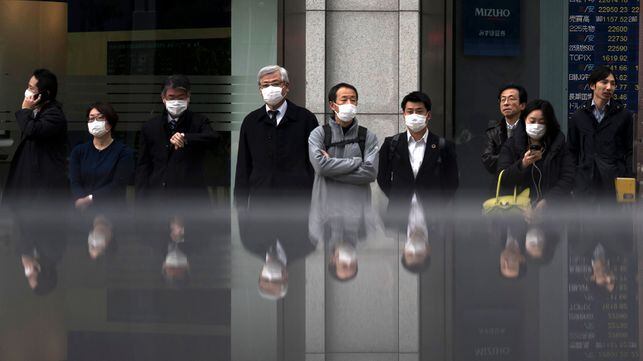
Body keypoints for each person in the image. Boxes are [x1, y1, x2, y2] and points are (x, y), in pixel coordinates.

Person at [234, 65, 319, 209]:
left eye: (275, 83)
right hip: (260, 203)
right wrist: (241, 206)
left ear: (286, 86)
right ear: (260, 90)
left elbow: (314, 164)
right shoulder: (251, 121)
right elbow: (243, 166)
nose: (270, 88)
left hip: (298, 203)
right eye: (265, 85)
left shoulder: (305, 119)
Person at [307, 82, 380, 246]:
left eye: (353, 100)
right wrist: (355, 162)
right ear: (332, 105)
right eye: (344, 100)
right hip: (324, 218)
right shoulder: (319, 134)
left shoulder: (367, 136)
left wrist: (330, 170)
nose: (349, 104)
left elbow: (370, 173)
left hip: (358, 218)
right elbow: (320, 167)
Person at [135, 74, 218, 199]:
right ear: (163, 98)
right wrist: (141, 200)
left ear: (188, 97)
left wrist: (186, 138)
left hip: (190, 197)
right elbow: (143, 165)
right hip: (158, 197)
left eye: (180, 97)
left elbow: (213, 138)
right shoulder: (150, 127)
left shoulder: (199, 121)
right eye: (171, 97)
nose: (176, 102)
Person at [497, 99, 575, 220]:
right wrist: (523, 164)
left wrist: (547, 201)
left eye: (542, 122)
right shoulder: (511, 145)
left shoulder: (559, 145)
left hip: (553, 214)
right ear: (524, 120)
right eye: (532, 121)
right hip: (518, 214)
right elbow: (504, 178)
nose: (536, 125)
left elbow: (568, 178)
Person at [377, 91, 458, 203]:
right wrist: (397, 198)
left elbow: (452, 181)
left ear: (428, 115)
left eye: (419, 111)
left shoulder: (444, 146)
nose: (414, 116)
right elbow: (382, 178)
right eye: (410, 111)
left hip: (433, 216)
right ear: (404, 115)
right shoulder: (390, 144)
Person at [568, 65, 634, 200]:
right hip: (585, 183)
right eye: (604, 82)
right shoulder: (579, 116)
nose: (609, 87)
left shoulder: (624, 116)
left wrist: (628, 179)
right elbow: (571, 152)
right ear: (592, 85)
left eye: (613, 84)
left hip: (614, 182)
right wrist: (573, 181)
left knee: (613, 220)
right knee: (586, 221)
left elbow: (630, 151)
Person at [4, 69, 68, 205]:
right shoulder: (37, 110)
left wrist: (25, 110)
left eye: (32, 88)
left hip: (42, 188)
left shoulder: (54, 115)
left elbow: (32, 130)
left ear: (45, 93)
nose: (27, 91)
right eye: (28, 86)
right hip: (28, 183)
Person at [70, 102, 134, 210]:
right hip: (83, 211)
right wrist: (80, 199)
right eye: (91, 118)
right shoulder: (79, 151)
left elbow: (118, 185)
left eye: (100, 118)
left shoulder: (124, 153)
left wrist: (90, 199)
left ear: (110, 123)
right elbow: (75, 181)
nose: (94, 122)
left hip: (112, 212)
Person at [481, 84, 528, 176]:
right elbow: (488, 160)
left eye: (511, 99)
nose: (506, 103)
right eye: (503, 99)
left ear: (522, 105)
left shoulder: (531, 128)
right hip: (501, 183)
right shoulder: (493, 132)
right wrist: (518, 159)